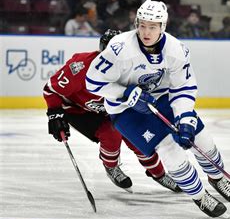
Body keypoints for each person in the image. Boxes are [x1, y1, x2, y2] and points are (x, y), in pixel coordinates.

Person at [85, 0, 230, 218]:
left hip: (162, 97)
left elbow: (183, 87)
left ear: (163, 27)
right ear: (136, 23)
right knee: (170, 151)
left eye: (153, 26)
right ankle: (200, 196)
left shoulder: (176, 50)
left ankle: (217, 177)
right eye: (142, 25)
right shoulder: (119, 49)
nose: (146, 31)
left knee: (202, 138)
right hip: (124, 110)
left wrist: (185, 119)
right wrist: (125, 93)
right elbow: (92, 82)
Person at [43, 29, 181, 193]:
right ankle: (111, 166)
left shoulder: (133, 68)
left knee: (139, 137)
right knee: (111, 132)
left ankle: (158, 174)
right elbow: (51, 90)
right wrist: (55, 114)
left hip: (110, 110)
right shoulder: (80, 67)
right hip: (78, 110)